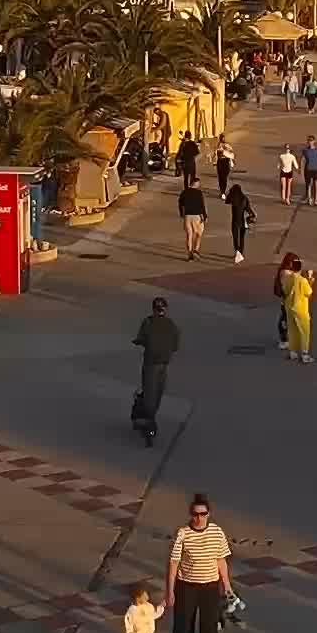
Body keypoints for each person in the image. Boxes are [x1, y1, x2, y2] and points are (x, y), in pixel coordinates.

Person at [165, 493, 233, 633]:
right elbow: (173, 563)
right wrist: (170, 591)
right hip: (186, 585)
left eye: (203, 514)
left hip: (210, 586)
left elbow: (221, 560)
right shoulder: (183, 533)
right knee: (184, 621)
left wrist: (226, 585)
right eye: (195, 514)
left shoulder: (217, 532)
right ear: (190, 514)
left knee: (209, 626)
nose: (199, 518)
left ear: (208, 514)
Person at [131, 297, 178, 443]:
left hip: (151, 364)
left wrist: (140, 342)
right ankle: (150, 419)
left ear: (153, 309)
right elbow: (176, 346)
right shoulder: (171, 324)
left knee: (149, 393)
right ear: (165, 309)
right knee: (158, 393)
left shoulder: (148, 322)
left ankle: (148, 420)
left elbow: (141, 338)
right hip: (164, 363)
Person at [283, 260, 316, 364]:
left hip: (289, 307)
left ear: (292, 267)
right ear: (300, 268)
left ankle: (293, 352)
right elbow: (309, 293)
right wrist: (310, 279)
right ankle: (305, 355)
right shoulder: (303, 280)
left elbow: (285, 291)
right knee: (304, 331)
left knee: (292, 330)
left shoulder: (288, 278)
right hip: (301, 309)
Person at [273, 253, 300, 350]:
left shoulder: (287, 272)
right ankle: (284, 340)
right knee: (285, 320)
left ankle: (286, 338)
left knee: (287, 319)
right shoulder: (286, 273)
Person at [177, 175, 206, 261]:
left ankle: (190, 253)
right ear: (195, 184)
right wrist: (204, 216)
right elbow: (202, 205)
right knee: (199, 234)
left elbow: (180, 203)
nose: (199, 185)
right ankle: (196, 250)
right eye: (198, 184)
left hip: (187, 216)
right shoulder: (198, 193)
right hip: (197, 216)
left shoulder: (184, 192)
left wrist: (181, 213)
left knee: (189, 235)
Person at [224, 182, 254, 264]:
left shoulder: (233, 198)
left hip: (235, 221)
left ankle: (237, 252)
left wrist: (229, 193)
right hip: (243, 221)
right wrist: (252, 216)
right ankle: (240, 252)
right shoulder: (244, 198)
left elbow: (226, 201)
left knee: (235, 237)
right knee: (242, 238)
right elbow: (249, 209)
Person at [301, 136, 317, 205]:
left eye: (311, 140)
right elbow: (303, 160)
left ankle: (316, 200)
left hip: (316, 169)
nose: (310, 142)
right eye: (309, 141)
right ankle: (309, 199)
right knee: (308, 185)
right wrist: (301, 169)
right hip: (308, 169)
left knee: (316, 185)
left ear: (314, 141)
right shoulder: (305, 150)